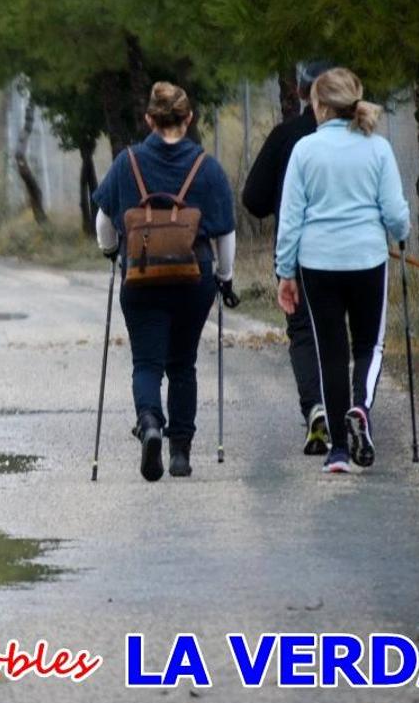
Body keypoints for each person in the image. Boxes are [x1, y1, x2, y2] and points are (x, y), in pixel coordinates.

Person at [94, 82, 237, 482]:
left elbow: (104, 222)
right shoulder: (206, 167)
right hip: (194, 279)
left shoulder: (128, 162)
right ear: (189, 118)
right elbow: (225, 233)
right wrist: (224, 277)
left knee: (146, 363)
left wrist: (111, 252)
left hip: (140, 277)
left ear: (149, 120)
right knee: (183, 364)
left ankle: (151, 422)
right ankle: (180, 454)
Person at [275, 67, 410, 474]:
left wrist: (286, 272)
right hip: (367, 259)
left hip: (318, 263)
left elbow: (291, 218)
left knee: (331, 353)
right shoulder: (378, 148)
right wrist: (399, 233)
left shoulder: (305, 150)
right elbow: (395, 214)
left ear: (319, 105)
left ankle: (337, 453)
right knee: (370, 345)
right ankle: (360, 408)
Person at [242, 61, 334, 456]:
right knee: (339, 330)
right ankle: (345, 408)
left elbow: (253, 200)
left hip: (296, 250)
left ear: (301, 93)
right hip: (349, 251)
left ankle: (315, 405)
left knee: (302, 331)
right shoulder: (362, 137)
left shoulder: (287, 137)